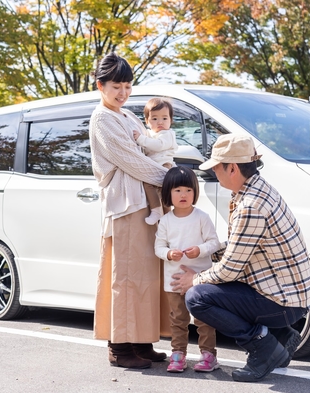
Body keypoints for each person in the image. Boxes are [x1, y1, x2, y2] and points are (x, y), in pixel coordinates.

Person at [170, 133, 310, 382]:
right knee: (209, 289)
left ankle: (263, 346)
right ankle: (280, 336)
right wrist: (206, 250)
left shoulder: (250, 205)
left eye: (216, 167)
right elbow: (243, 246)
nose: (215, 172)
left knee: (197, 298)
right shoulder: (260, 189)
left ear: (232, 168)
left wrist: (193, 280)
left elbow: (229, 271)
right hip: (291, 297)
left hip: (282, 303)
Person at [89, 53, 170, 369]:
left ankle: (141, 341)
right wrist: (172, 179)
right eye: (115, 86)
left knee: (146, 275)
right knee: (125, 275)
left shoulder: (128, 116)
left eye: (127, 86)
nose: (122, 92)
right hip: (125, 206)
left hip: (145, 203)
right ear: (101, 86)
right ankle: (120, 348)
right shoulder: (102, 118)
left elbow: (152, 147)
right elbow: (131, 160)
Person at [154, 166, 222, 373]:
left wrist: (199, 250)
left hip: (200, 280)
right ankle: (178, 354)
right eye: (177, 190)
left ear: (195, 192)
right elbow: (158, 247)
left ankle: (208, 355)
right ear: (168, 193)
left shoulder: (201, 217)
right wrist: (168, 253)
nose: (183, 195)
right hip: (173, 281)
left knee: (204, 319)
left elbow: (214, 243)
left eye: (188, 190)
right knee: (178, 319)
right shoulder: (165, 220)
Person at [132, 98, 178, 225]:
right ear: (147, 121)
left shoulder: (167, 134)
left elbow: (158, 146)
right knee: (158, 191)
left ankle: (160, 212)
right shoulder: (150, 134)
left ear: (170, 120)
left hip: (164, 165)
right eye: (155, 118)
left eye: (164, 118)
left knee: (156, 188)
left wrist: (140, 139)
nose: (160, 122)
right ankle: (162, 213)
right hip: (155, 165)